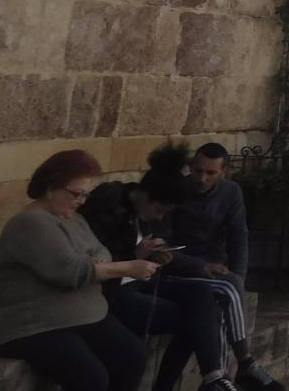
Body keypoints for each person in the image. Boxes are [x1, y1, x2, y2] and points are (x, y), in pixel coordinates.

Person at [0, 150, 158, 391]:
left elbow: (101, 254)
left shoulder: (73, 219)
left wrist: (97, 266)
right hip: (33, 325)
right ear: (51, 188)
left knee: (133, 356)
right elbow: (71, 272)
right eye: (75, 193)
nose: (81, 201)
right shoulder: (31, 223)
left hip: (78, 317)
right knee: (91, 378)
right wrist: (126, 268)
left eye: (85, 195)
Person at [80, 146, 240, 391]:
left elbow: (162, 238)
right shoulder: (111, 204)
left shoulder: (152, 214)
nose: (159, 217)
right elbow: (94, 260)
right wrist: (134, 256)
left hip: (141, 281)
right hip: (110, 293)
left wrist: (161, 254)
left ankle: (214, 376)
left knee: (201, 296)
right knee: (191, 320)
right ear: (145, 195)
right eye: (159, 210)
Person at [174, 144, 284, 390]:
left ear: (223, 171)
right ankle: (244, 363)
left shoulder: (231, 192)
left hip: (217, 270)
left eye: (211, 173)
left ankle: (218, 380)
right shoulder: (178, 191)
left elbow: (238, 237)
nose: (202, 178)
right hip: (184, 269)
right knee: (228, 290)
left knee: (226, 298)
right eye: (197, 171)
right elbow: (164, 246)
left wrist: (239, 277)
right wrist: (201, 265)